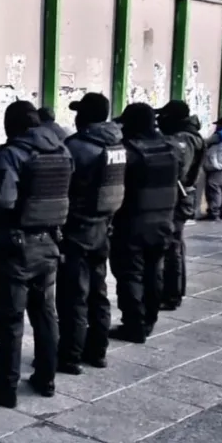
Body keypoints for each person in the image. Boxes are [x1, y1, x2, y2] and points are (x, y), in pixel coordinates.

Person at [0, 101, 73, 408]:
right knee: (45, 313)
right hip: (50, 243)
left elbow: (4, 200)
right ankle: (46, 378)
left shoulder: (12, 153)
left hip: (16, 247)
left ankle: (5, 387)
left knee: (10, 318)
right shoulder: (62, 151)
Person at [56, 93, 125, 373]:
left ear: (85, 116)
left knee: (73, 295)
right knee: (98, 292)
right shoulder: (117, 144)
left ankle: (70, 355)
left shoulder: (77, 147)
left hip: (77, 229)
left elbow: (63, 188)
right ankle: (97, 351)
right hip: (103, 226)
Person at [108, 103, 178, 344]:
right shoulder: (169, 148)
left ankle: (134, 325)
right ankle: (149, 321)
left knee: (130, 276)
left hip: (133, 223)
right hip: (163, 222)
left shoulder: (129, 152)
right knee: (153, 272)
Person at [156, 101, 205, 311]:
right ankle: (174, 291)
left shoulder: (183, 139)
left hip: (178, 197)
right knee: (175, 245)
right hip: (181, 196)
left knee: (172, 246)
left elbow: (176, 170)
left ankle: (172, 294)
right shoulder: (187, 135)